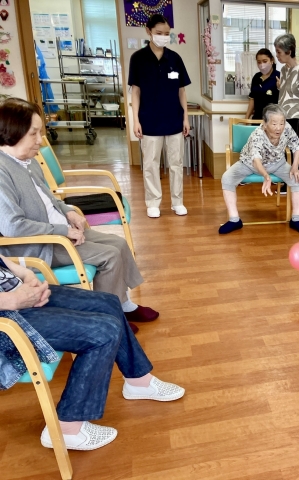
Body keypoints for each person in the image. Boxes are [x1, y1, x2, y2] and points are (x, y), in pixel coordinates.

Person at [0, 98, 158, 329]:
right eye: (33, 133)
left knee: (119, 243)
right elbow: (13, 227)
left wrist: (69, 212)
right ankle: (111, 318)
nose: (40, 140)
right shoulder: (3, 171)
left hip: (57, 231)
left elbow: (49, 198)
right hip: (38, 244)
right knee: (109, 256)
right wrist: (63, 231)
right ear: (13, 132)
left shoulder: (28, 161)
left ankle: (124, 305)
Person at [0, 255, 184, 451]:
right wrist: (12, 300)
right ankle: (67, 428)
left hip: (14, 294)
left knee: (109, 302)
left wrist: (26, 275)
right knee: (104, 332)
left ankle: (138, 380)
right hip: (7, 317)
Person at [129, 13, 191, 218]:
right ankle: (153, 202)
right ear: (148, 31)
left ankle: (177, 201)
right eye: (159, 33)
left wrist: (185, 118)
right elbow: (135, 91)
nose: (163, 37)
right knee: (150, 164)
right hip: (149, 120)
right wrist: (136, 120)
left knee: (176, 164)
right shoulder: (138, 58)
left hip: (174, 120)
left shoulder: (175, 58)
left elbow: (182, 91)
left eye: (167, 33)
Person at [219, 104, 299, 235]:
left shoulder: (287, 128)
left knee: (297, 178)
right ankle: (234, 220)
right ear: (265, 124)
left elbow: (296, 146)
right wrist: (266, 176)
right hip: (249, 164)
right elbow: (256, 160)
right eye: (274, 124)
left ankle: (296, 219)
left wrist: (295, 167)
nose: (279, 128)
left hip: (278, 163)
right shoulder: (257, 135)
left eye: (281, 123)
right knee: (227, 178)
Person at [274, 33, 299, 188]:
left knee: (291, 148)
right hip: (283, 115)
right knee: (281, 147)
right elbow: (288, 92)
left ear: (289, 51)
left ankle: (291, 179)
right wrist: (280, 87)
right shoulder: (284, 70)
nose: (277, 55)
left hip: (297, 115)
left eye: (279, 52)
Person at [246, 49, 280, 121]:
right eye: (259, 62)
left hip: (273, 121)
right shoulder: (256, 77)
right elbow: (252, 99)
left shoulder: (279, 76)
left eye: (265, 61)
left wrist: (280, 88)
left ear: (272, 60)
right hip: (257, 119)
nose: (262, 65)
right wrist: (246, 119)